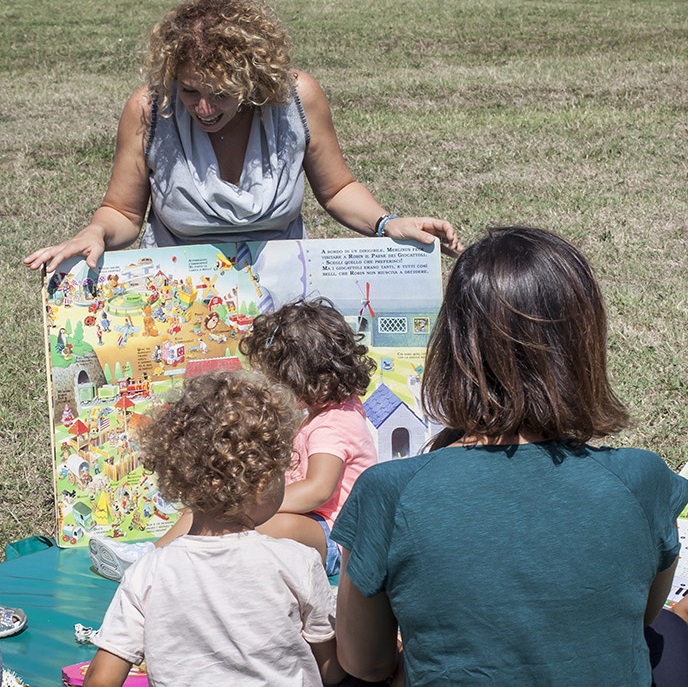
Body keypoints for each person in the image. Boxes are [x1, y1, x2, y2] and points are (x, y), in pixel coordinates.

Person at [331, 226, 688, 686]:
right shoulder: (643, 480)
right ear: (582, 344)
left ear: (454, 346)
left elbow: (364, 662)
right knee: (668, 637)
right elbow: (639, 618)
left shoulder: (389, 491)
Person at [23, 0, 459, 274]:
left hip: (284, 289)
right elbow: (122, 210)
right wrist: (96, 231)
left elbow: (338, 188)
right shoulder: (149, 108)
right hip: (180, 291)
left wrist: (387, 224)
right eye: (191, 91)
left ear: (252, 80)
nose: (205, 109)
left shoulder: (297, 98)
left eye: (222, 94)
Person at [82, 370, 345, 687]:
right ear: (263, 482)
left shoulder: (149, 571)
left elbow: (100, 679)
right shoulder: (296, 562)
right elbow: (330, 669)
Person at [238, 297, 378, 575]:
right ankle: (158, 556)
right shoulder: (335, 408)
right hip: (314, 523)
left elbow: (318, 489)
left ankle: (169, 561)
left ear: (305, 378)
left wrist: (255, 506)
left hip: (336, 537)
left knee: (265, 527)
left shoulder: (332, 425)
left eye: (279, 381)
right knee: (211, 513)